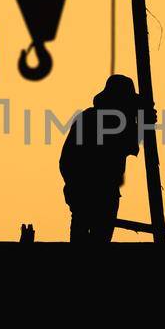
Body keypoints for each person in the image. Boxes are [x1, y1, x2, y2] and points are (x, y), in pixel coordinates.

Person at [60, 75, 150, 242]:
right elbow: (128, 145)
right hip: (95, 193)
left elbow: (66, 161)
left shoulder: (90, 118)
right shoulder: (104, 121)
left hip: (90, 192)